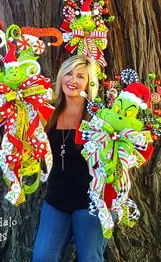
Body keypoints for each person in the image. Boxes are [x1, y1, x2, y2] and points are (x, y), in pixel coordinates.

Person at [32, 55, 107, 262]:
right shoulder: (48, 112)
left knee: (90, 258)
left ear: (89, 83)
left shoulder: (98, 117)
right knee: (42, 257)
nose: (72, 80)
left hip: (89, 203)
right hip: (56, 200)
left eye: (80, 76)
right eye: (68, 73)